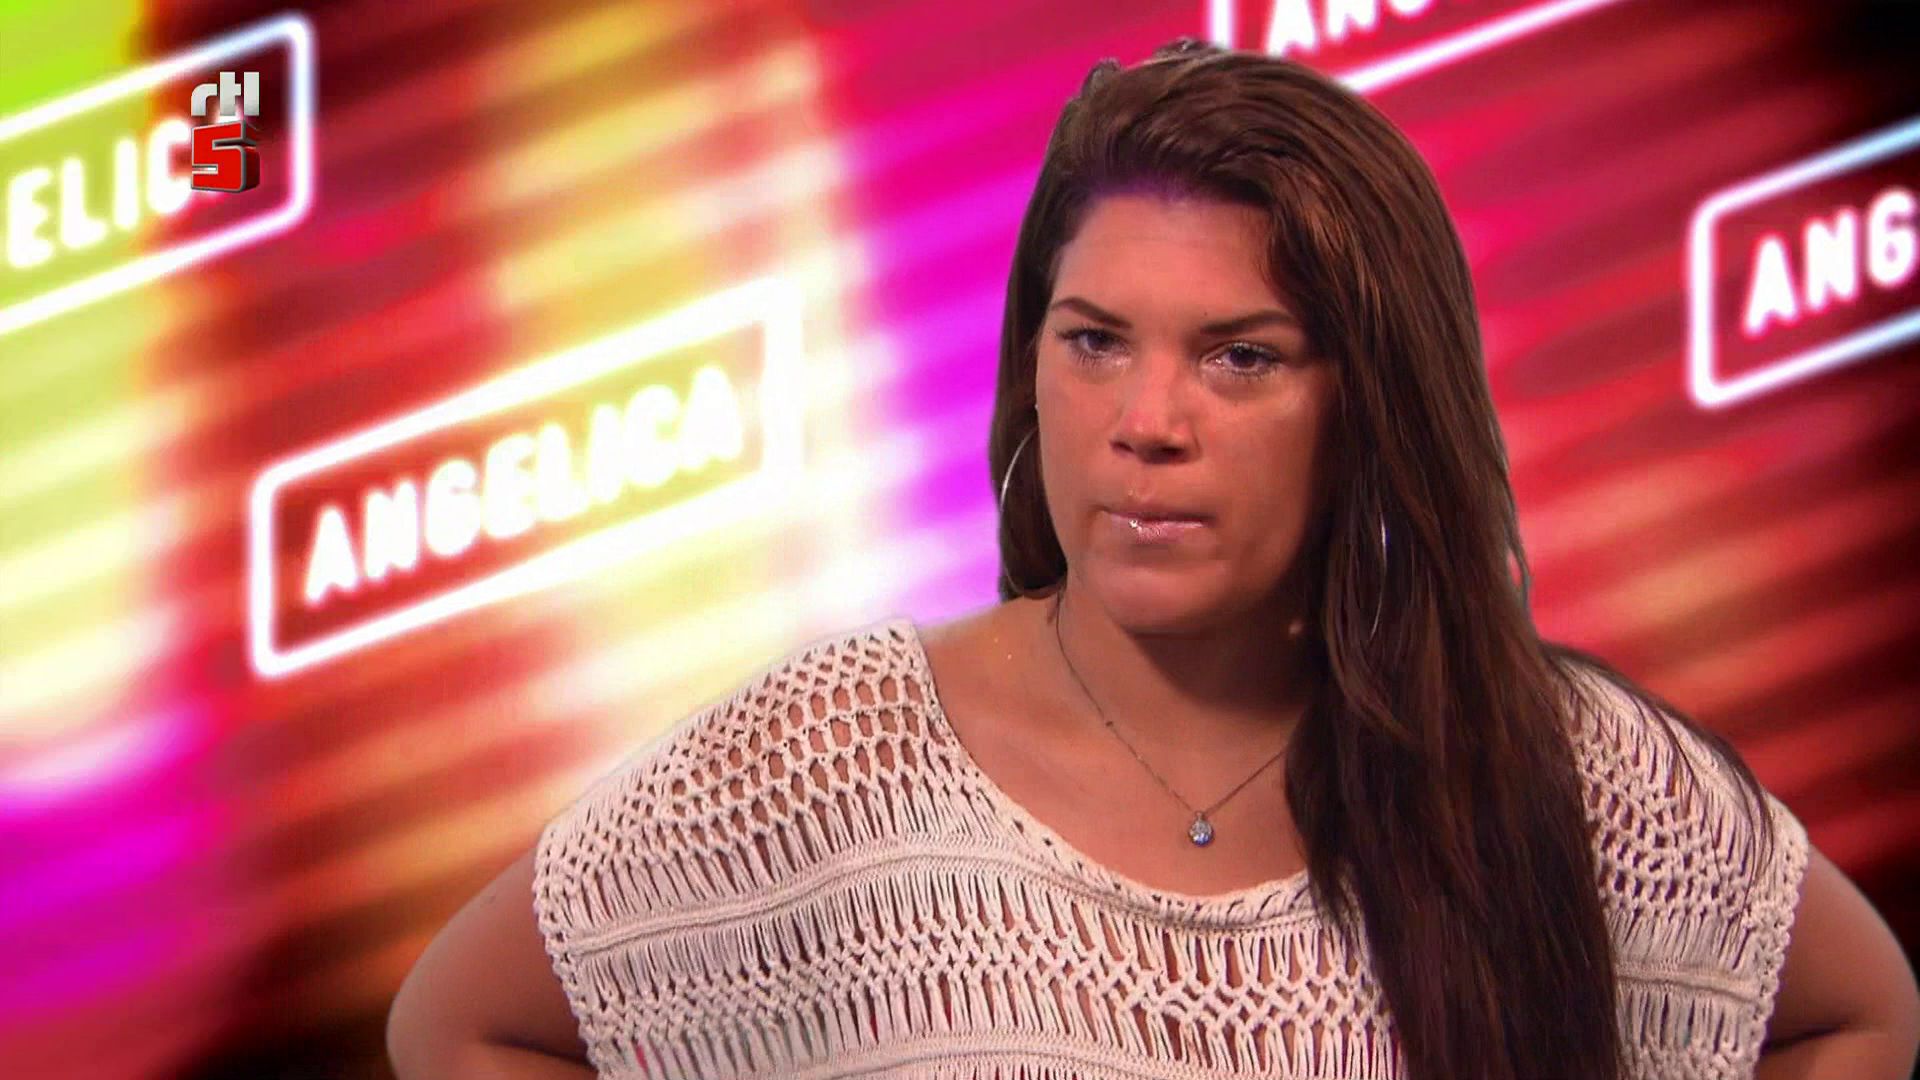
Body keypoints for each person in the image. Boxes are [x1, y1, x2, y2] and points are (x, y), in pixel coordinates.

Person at [385, 37, 1920, 1080]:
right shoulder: (838, 757)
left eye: (1240, 357)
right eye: (1096, 342)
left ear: (1370, 402)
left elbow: (1851, 1017)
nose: (1146, 424)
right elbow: (463, 1028)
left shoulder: (1559, 766)